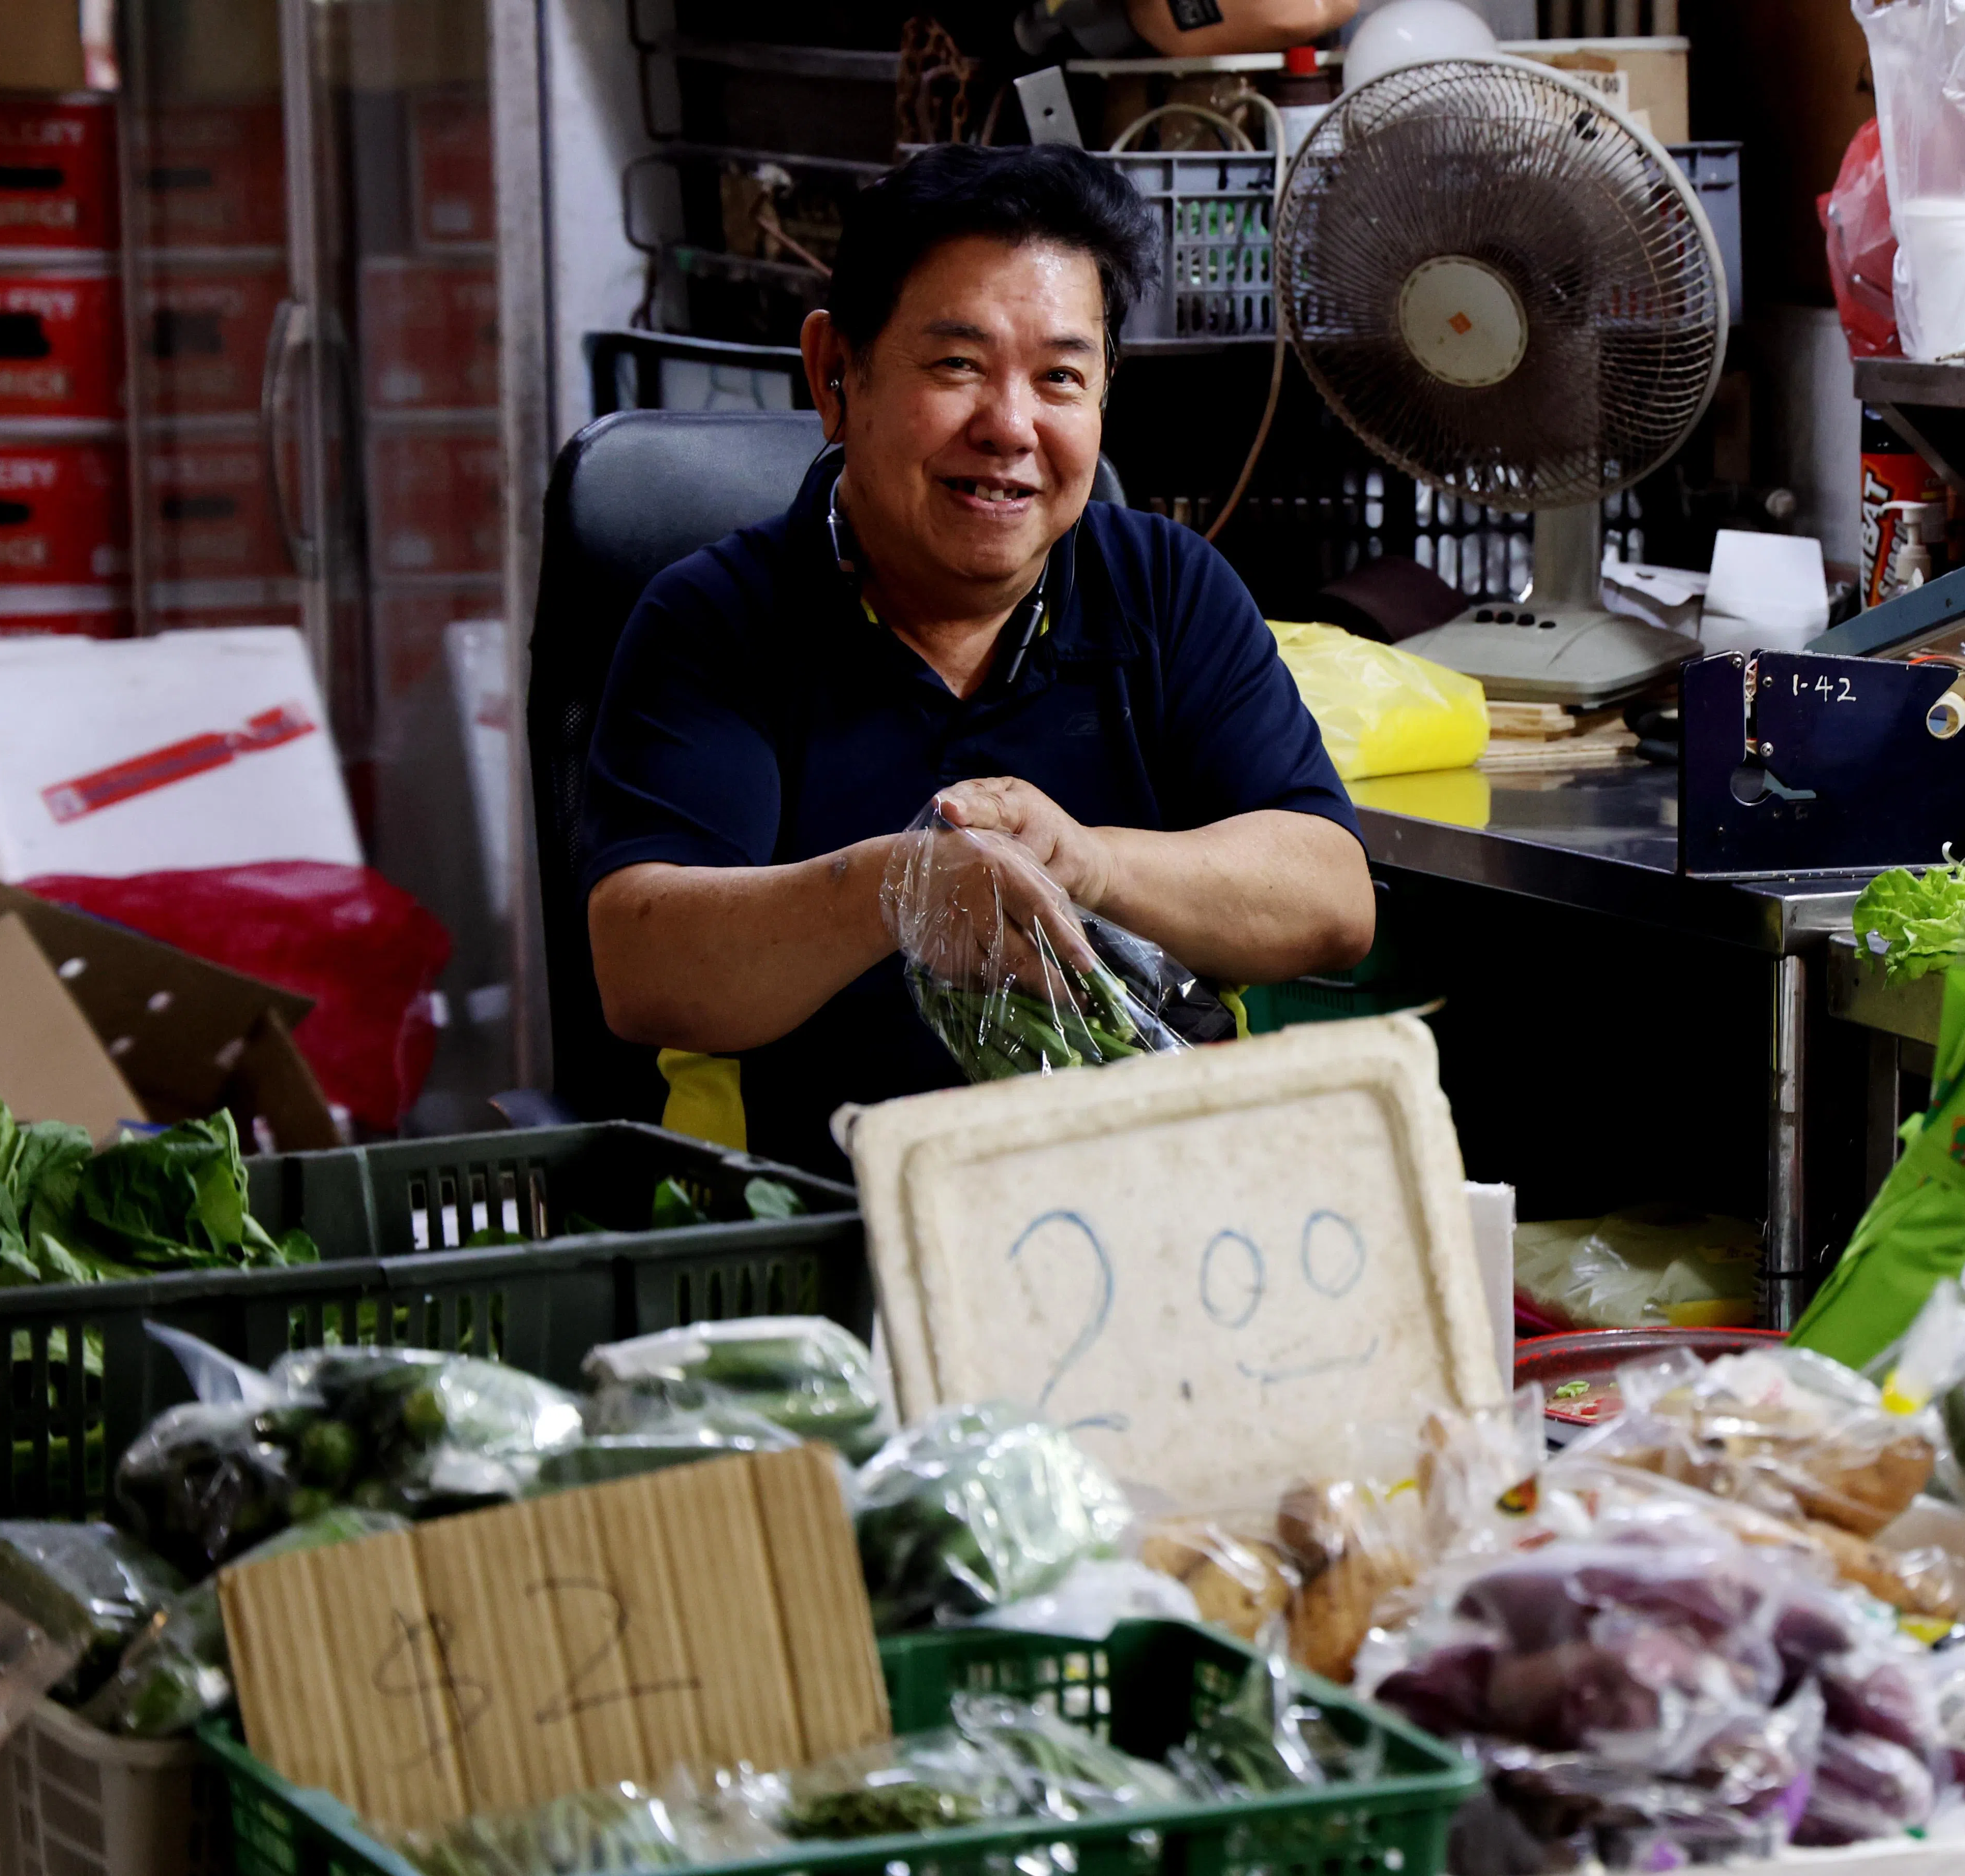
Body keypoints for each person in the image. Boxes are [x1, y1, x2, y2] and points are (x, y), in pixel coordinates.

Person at [578, 143, 1375, 1175]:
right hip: (824, 1223)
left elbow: (1333, 898)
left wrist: (1087, 864)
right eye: (957, 365)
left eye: (1060, 378)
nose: (1010, 427)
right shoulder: (715, 622)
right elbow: (643, 967)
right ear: (835, 373)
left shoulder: (1167, 588)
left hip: (1152, 1212)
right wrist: (902, 892)